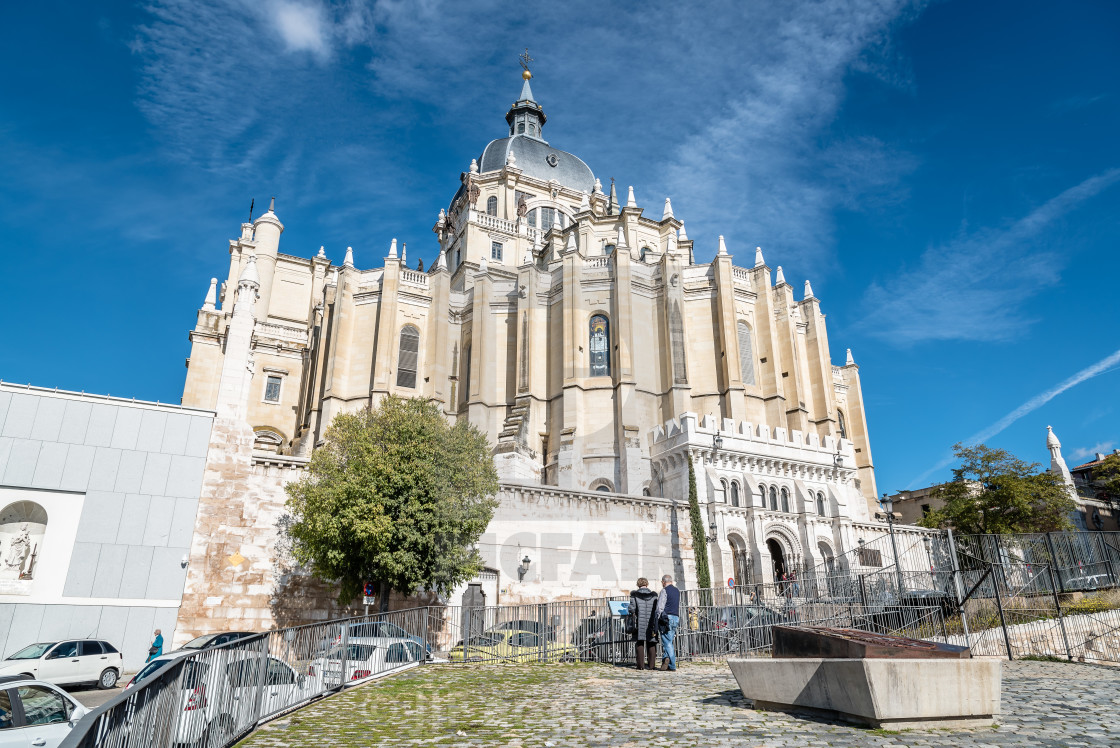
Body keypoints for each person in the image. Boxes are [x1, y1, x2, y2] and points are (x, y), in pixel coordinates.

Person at [627, 578, 659, 670]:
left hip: (639, 622)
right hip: (651, 622)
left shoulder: (634, 595)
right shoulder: (654, 595)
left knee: (640, 642)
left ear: (638, 585)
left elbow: (632, 609)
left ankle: (640, 666)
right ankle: (651, 665)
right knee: (652, 643)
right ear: (647, 584)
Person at [657, 574, 680, 671]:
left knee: (667, 642)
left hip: (667, 618)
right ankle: (665, 661)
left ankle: (672, 665)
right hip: (676, 617)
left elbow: (660, 606)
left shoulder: (664, 590)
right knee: (669, 640)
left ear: (663, 581)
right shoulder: (677, 591)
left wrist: (658, 617)